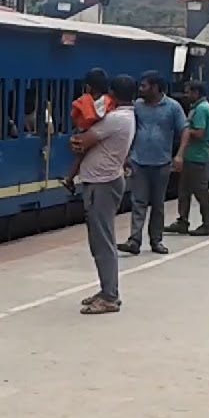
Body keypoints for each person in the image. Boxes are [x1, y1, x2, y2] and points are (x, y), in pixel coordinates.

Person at [70, 74, 138, 315]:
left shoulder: (116, 119)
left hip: (102, 183)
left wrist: (78, 139)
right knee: (100, 240)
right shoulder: (126, 116)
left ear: (113, 94)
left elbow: (81, 142)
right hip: (104, 181)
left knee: (103, 241)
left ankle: (110, 296)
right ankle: (106, 290)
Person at [118, 71, 188, 256]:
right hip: (139, 161)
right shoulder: (137, 106)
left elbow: (184, 130)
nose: (140, 89)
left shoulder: (173, 107)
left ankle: (156, 240)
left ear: (155, 87)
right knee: (138, 202)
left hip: (162, 163)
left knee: (158, 204)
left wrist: (180, 155)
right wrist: (127, 155)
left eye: (144, 86)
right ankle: (134, 240)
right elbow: (130, 130)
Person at [165, 81, 209, 236]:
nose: (186, 96)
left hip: (197, 157)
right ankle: (182, 221)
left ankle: (208, 224)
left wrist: (184, 130)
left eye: (188, 92)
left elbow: (200, 133)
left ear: (196, 93)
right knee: (184, 191)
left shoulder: (201, 109)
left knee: (200, 192)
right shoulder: (197, 108)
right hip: (190, 156)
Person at [61, 68, 117, 193]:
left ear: (88, 86)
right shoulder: (108, 101)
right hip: (102, 135)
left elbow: (75, 116)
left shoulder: (84, 100)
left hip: (86, 133)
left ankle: (69, 179)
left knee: (79, 157)